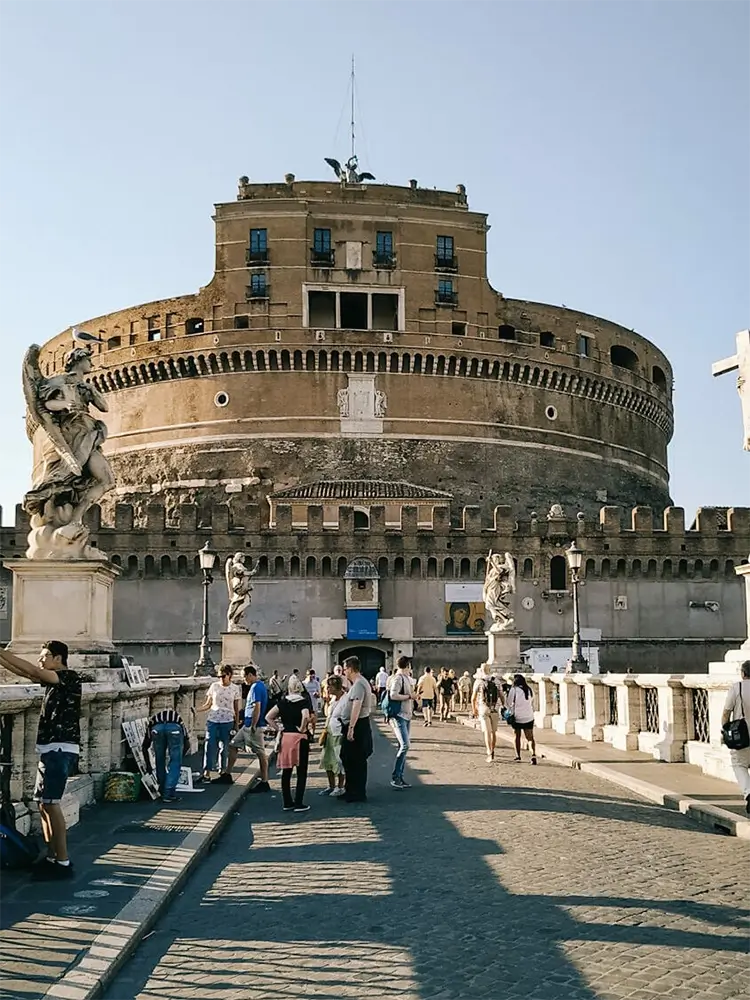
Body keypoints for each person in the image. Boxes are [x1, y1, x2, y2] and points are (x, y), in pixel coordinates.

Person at [0, 643, 81, 879]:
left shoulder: (69, 677)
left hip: (60, 748)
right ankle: (51, 856)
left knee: (52, 803)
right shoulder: (54, 681)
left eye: (45, 656)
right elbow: (26, 672)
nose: (40, 660)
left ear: (59, 658)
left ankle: (63, 862)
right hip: (50, 749)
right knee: (43, 804)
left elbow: (33, 672)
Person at [266, 675, 312, 813]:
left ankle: (287, 802)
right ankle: (298, 802)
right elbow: (305, 716)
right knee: (301, 771)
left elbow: (268, 717)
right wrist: (303, 728)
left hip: (286, 737)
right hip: (299, 738)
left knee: (286, 771)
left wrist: (278, 727)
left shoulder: (283, 702)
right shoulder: (303, 702)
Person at [228, 664, 270, 792]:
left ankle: (264, 781)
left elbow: (257, 707)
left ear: (250, 675)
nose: (244, 680)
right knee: (233, 744)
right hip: (247, 724)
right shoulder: (258, 686)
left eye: (244, 677)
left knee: (260, 753)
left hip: (253, 725)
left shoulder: (256, 687)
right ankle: (227, 773)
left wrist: (253, 724)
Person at [338, 656, 373, 803]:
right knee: (348, 758)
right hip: (356, 724)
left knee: (355, 760)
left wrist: (351, 728)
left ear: (350, 668)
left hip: (358, 725)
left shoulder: (359, 684)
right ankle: (350, 789)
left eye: (345, 669)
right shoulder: (357, 684)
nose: (344, 671)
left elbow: (356, 706)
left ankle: (356, 792)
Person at [200, 664, 241, 783]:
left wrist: (236, 723)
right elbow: (208, 704)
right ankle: (206, 772)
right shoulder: (214, 686)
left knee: (224, 747)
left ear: (229, 675)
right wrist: (197, 710)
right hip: (213, 719)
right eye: (219, 676)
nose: (221, 678)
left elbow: (236, 708)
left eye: (223, 676)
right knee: (209, 745)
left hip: (228, 720)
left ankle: (222, 771)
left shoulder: (235, 688)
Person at [143, 706, 190, 803]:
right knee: (175, 762)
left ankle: (162, 788)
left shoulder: (153, 720)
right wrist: (180, 756)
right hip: (174, 728)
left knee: (159, 759)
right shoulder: (177, 718)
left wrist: (148, 765)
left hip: (157, 729)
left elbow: (145, 746)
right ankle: (169, 792)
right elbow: (187, 742)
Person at [721, 660, 750, 814]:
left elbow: (726, 712)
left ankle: (749, 792)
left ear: (743, 673)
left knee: (739, 764)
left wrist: (724, 730)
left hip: (742, 731)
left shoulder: (737, 687)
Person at [388, 656, 414, 789]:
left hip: (406, 715)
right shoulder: (398, 678)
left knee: (402, 746)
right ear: (407, 666)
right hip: (399, 715)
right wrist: (409, 697)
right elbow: (393, 695)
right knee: (405, 745)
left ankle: (400, 776)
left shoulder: (405, 678)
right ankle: (396, 776)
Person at [318, 674, 347, 797]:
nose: (327, 689)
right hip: (329, 732)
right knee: (327, 760)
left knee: (338, 761)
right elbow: (328, 715)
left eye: (329, 687)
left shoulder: (345, 700)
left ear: (336, 687)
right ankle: (331, 785)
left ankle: (340, 786)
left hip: (338, 733)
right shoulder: (333, 699)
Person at [472, 664, 501, 762]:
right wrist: (503, 706)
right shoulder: (496, 681)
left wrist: (474, 709)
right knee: (493, 732)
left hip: (483, 707)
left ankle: (489, 752)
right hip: (495, 708)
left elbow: (473, 698)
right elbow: (501, 695)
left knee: (487, 732)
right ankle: (493, 750)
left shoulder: (478, 682)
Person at [506, 674, 537, 764]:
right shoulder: (529, 689)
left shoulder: (514, 690)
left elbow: (508, 702)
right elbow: (532, 701)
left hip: (517, 717)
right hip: (529, 716)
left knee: (517, 736)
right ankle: (533, 755)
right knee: (530, 737)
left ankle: (518, 755)